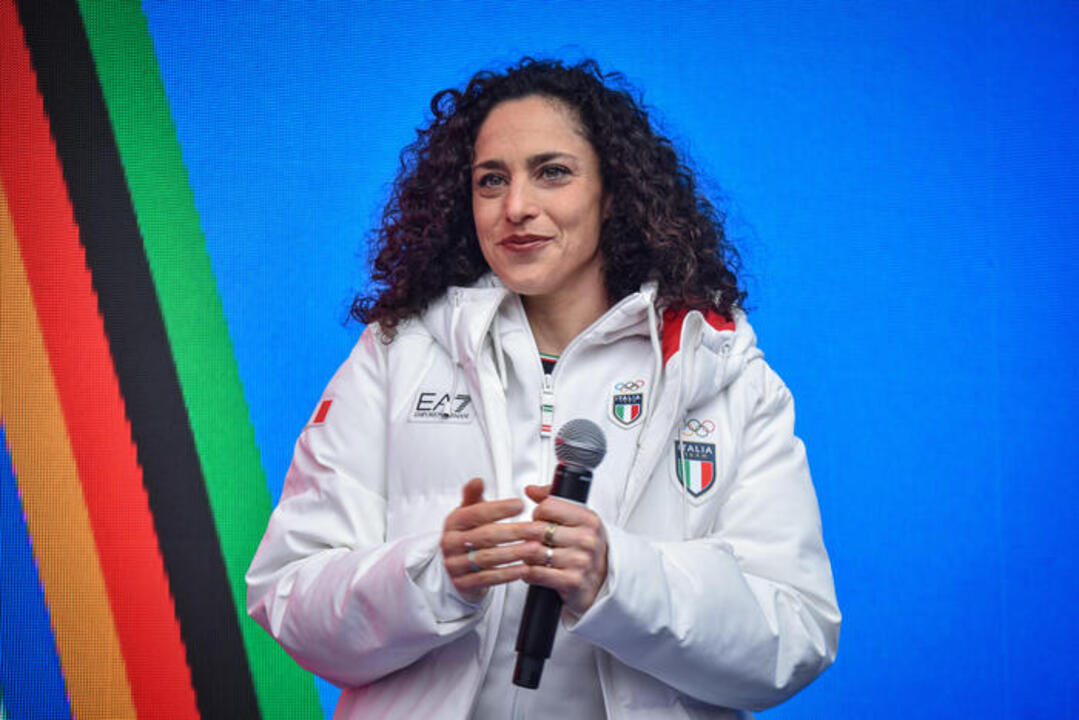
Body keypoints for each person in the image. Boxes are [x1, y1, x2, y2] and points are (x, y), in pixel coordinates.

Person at [246, 58, 840, 719]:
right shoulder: (395, 355)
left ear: (612, 192)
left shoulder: (720, 374)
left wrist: (616, 578)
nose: (516, 207)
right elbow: (287, 593)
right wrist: (434, 577)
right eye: (491, 180)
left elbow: (795, 635)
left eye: (552, 172)